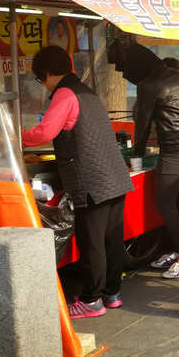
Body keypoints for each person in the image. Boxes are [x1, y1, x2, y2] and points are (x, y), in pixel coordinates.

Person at [23, 46, 133, 318]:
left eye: (41, 79)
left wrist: (16, 136)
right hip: (115, 177)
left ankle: (91, 300)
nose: (43, 85)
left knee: (91, 242)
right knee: (111, 240)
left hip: (92, 179)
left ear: (48, 73)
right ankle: (112, 294)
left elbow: (46, 131)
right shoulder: (86, 91)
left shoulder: (64, 93)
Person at [129, 47, 179, 280]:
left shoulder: (148, 85)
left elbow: (142, 123)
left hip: (174, 151)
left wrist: (136, 155)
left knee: (166, 205)